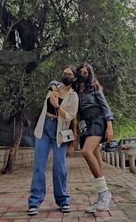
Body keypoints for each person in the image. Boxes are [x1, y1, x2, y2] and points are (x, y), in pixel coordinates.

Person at [28, 65, 78, 216]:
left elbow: (70, 116)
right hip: (44, 128)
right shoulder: (54, 86)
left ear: (74, 78)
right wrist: (53, 89)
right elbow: (52, 83)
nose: (66, 75)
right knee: (39, 166)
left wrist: (57, 106)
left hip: (60, 131)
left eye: (69, 74)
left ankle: (63, 201)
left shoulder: (73, 96)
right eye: (65, 73)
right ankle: (34, 202)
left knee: (59, 167)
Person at [76, 62, 114, 213]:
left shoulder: (95, 87)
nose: (83, 74)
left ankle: (105, 194)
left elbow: (105, 106)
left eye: (86, 72)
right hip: (86, 124)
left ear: (89, 74)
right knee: (97, 161)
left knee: (86, 152)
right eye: (81, 72)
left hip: (98, 120)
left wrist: (109, 126)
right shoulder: (76, 89)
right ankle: (101, 197)